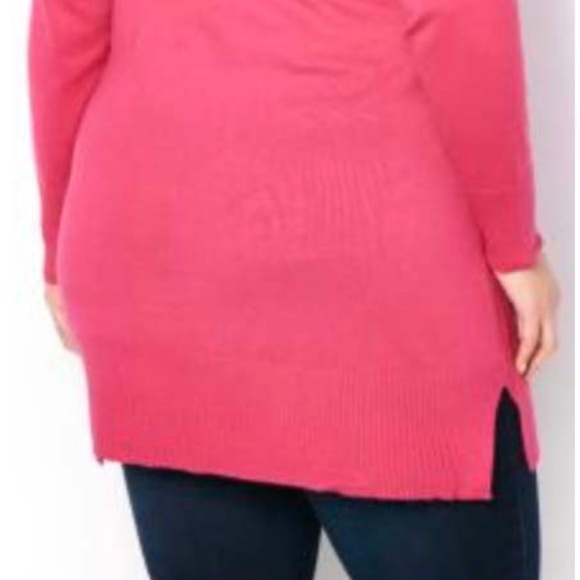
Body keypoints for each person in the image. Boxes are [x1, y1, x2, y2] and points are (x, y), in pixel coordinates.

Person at [27, 0, 560, 578]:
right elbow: (458, 16)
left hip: (158, 260)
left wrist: (59, 243)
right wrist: (512, 244)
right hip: (375, 274)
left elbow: (67, 27)